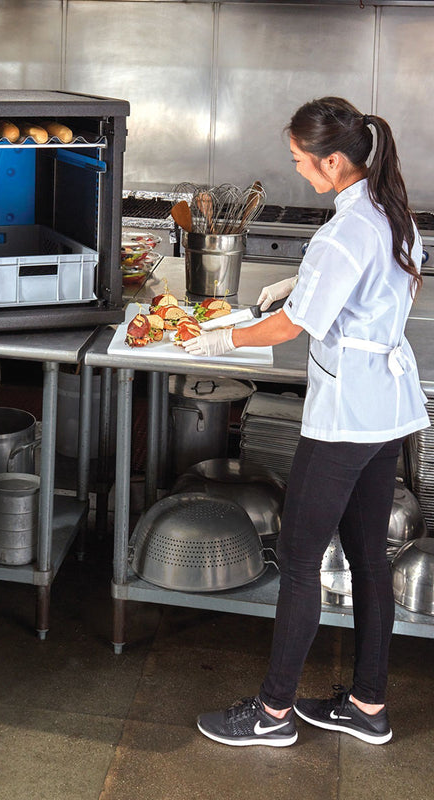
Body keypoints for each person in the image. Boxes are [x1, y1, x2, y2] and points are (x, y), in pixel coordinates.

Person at [183, 97, 429, 747]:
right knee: (370, 557)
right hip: (386, 408)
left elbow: (293, 328)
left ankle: (271, 715)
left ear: (334, 161)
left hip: (346, 416)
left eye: (301, 161)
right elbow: (389, 286)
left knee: (297, 558)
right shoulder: (391, 210)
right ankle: (369, 706)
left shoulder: (345, 230)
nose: (297, 172)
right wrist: (301, 279)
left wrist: (219, 342)